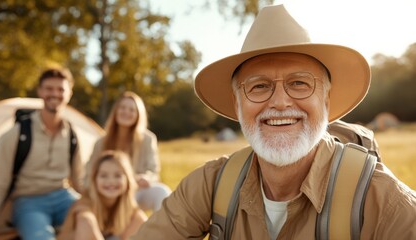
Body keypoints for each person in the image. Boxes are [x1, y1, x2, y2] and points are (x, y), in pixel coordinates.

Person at [131, 4, 416, 239]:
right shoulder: (212, 183)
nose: (280, 102)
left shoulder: (383, 200)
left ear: (327, 101)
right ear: (237, 104)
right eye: (259, 86)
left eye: (300, 83)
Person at [0, 67, 85, 239]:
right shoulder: (18, 134)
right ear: (40, 91)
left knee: (91, 220)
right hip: (28, 201)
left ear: (69, 93)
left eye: (60, 89)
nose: (54, 94)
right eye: (49, 88)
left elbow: (79, 181)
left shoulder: (71, 134)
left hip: (64, 197)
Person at [89, 91, 171, 212]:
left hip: (137, 190)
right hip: (109, 191)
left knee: (162, 191)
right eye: (122, 108)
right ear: (115, 111)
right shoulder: (101, 142)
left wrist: (146, 177)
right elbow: (90, 169)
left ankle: (159, 230)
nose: (126, 112)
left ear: (138, 114)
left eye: (132, 110)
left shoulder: (148, 139)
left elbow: (153, 170)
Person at [58, 150, 147, 240]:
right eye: (104, 176)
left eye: (117, 175)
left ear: (127, 180)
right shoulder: (84, 205)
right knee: (86, 221)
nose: (111, 181)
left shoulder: (128, 207)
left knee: (140, 220)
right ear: (94, 179)